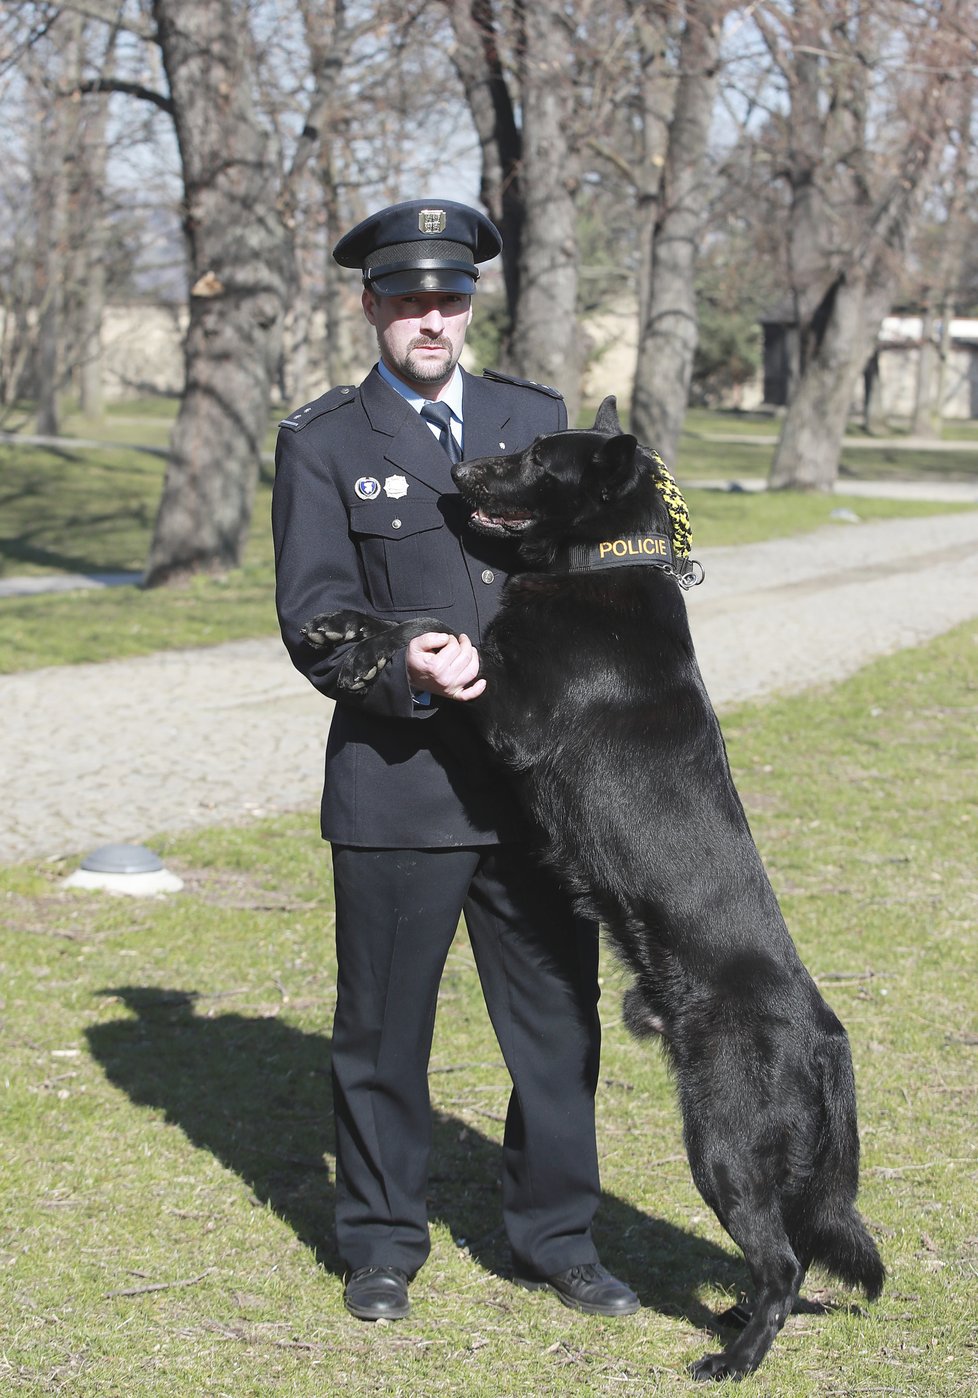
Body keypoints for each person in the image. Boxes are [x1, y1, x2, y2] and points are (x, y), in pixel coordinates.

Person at [272, 198, 638, 1323]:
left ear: (470, 304)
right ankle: (382, 1243)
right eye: (409, 297)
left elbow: (586, 564)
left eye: (451, 296)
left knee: (557, 1028)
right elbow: (314, 614)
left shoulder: (532, 415)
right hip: (399, 786)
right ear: (372, 305)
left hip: (537, 789)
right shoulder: (324, 441)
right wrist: (404, 660)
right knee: (383, 1032)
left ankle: (557, 1237)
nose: (432, 316)